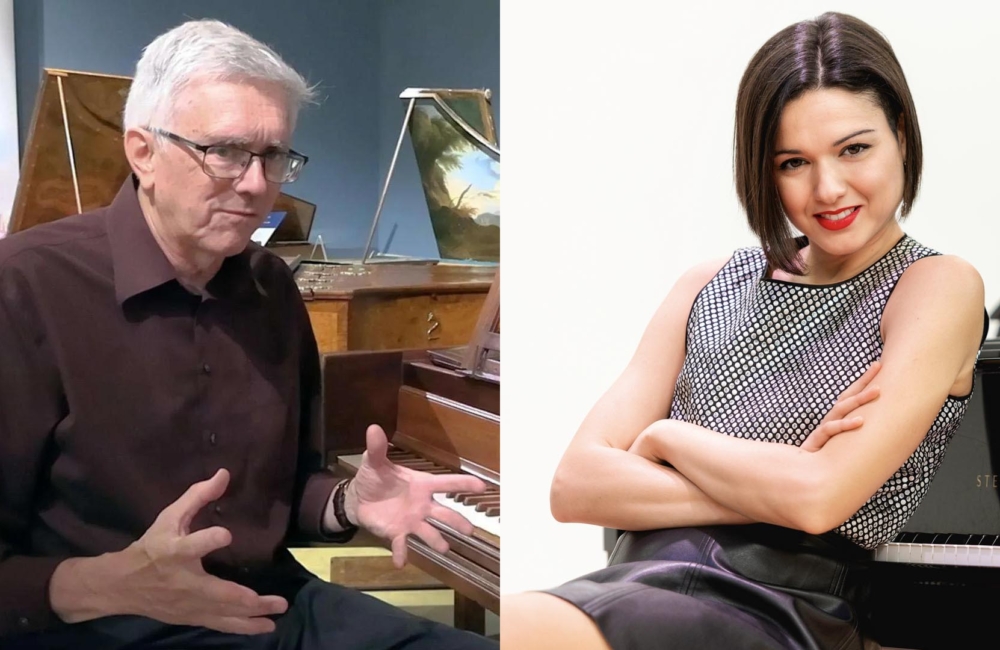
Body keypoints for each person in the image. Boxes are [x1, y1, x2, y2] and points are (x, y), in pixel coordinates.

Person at [0, 19, 497, 650]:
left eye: (275, 156)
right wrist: (105, 585)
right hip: (95, 629)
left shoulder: (271, 286)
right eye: (225, 152)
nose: (258, 185)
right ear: (142, 152)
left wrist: (349, 502)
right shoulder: (22, 288)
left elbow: (280, 496)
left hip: (271, 606)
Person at [502, 11, 987, 650]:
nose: (828, 188)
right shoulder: (707, 283)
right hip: (637, 577)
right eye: (793, 162)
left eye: (855, 148)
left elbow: (818, 502)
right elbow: (576, 487)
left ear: (900, 133)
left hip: (778, 605)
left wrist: (666, 436)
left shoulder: (937, 285)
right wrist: (780, 484)